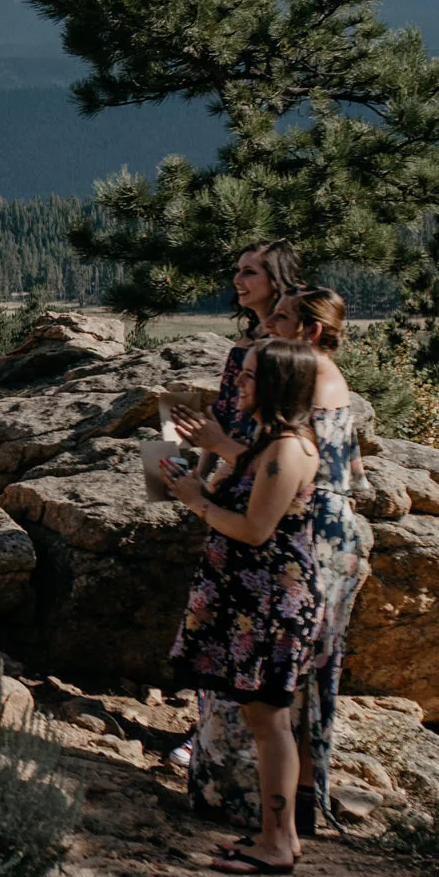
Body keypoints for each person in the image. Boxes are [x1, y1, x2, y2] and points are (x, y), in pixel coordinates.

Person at [187, 288, 372, 840]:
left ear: (311, 331)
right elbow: (353, 469)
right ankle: (295, 810)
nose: (266, 322)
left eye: (281, 316)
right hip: (320, 535)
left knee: (267, 688)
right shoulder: (327, 384)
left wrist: (215, 464)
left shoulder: (302, 396)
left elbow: (281, 473)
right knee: (300, 683)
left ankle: (255, 810)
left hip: (295, 549)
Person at [161, 337, 324, 874]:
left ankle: (277, 843)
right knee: (263, 717)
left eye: (251, 377)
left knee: (270, 720)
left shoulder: (286, 450)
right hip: (255, 598)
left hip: (273, 603)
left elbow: (256, 530)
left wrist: (196, 502)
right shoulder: (266, 442)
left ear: (277, 383)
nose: (240, 385)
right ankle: (279, 837)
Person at [166, 238, 304, 822]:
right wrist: (190, 470)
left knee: (254, 663)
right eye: (236, 271)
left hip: (261, 515)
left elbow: (270, 442)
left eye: (251, 272)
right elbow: (221, 421)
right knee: (219, 640)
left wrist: (213, 470)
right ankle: (215, 755)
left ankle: (256, 795)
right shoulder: (243, 350)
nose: (239, 281)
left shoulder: (288, 356)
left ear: (279, 279)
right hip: (225, 490)